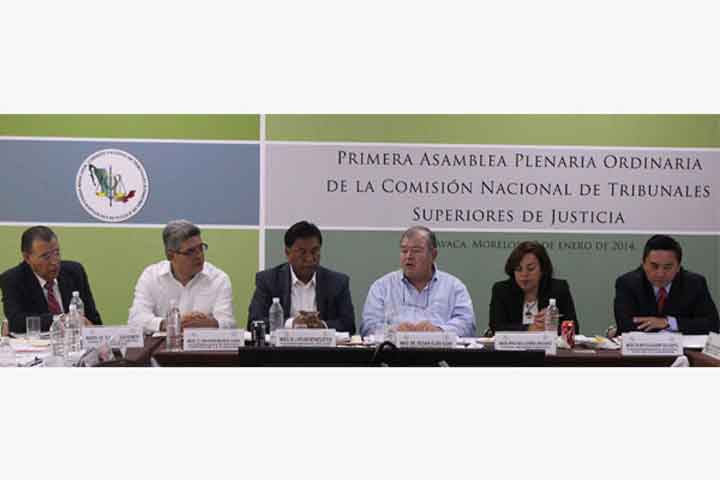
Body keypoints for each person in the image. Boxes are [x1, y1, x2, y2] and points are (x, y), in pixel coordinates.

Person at [360, 226, 475, 337]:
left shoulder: (454, 287)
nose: (409, 256)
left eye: (416, 251)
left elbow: (467, 324)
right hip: (393, 349)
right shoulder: (382, 287)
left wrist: (439, 331)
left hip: (440, 349)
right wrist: (392, 331)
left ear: (433, 255)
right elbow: (368, 326)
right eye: (404, 251)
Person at [247, 221, 356, 334]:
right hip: (282, 345)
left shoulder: (337, 282)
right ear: (287, 253)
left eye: (314, 251)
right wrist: (292, 324)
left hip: (323, 345)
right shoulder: (269, 280)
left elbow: (349, 324)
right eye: (302, 252)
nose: (309, 258)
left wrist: (322, 325)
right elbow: (254, 322)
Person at [128, 220, 236, 333]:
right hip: (163, 343)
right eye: (190, 251)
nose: (199, 255)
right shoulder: (151, 276)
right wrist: (170, 324)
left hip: (202, 343)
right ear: (170, 255)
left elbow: (228, 323)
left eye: (201, 248)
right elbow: (136, 319)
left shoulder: (218, 279)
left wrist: (208, 323)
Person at [0, 225, 102, 333]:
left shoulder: (75, 272)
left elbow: (93, 319)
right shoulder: (13, 279)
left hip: (74, 342)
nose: (54, 262)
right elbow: (16, 322)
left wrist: (94, 331)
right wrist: (60, 319)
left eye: (57, 253)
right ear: (27, 258)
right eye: (46, 257)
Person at [614, 234, 719, 334]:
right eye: (654, 266)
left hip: (684, 346)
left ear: (678, 267)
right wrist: (682, 325)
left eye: (668, 267)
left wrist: (669, 323)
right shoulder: (627, 283)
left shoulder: (694, 283)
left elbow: (713, 324)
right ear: (643, 264)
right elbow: (624, 326)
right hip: (640, 346)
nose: (660, 274)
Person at [488, 240, 578, 335]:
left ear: (542, 269)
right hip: (512, 345)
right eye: (518, 269)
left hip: (548, 344)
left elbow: (574, 328)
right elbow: (496, 327)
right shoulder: (501, 290)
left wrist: (551, 325)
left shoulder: (558, 289)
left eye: (530, 269)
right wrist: (529, 328)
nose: (524, 274)